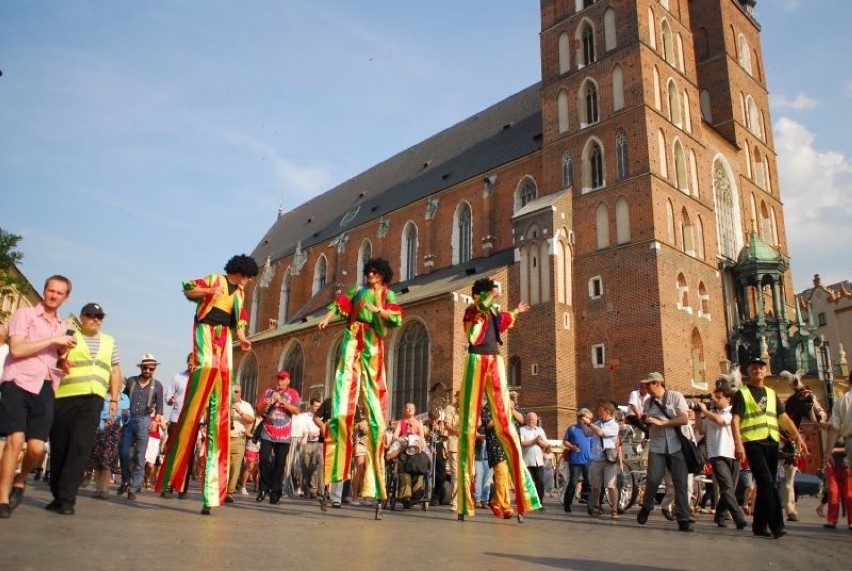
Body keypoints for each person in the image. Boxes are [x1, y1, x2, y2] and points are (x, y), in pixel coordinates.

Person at [156, 254, 258, 516]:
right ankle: (171, 477)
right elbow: (188, 288)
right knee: (209, 369)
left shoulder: (240, 295)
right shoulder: (217, 279)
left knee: (220, 410)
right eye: (245, 276)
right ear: (237, 272)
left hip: (223, 337)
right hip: (205, 332)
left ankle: (212, 492)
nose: (247, 281)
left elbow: (240, 323)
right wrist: (208, 291)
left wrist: (243, 339)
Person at [318, 257, 402, 518]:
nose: (370, 275)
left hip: (373, 345)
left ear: (383, 275)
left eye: (375, 272)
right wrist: (326, 318)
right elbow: (339, 304)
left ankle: (374, 487)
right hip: (353, 340)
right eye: (369, 272)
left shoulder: (388, 294)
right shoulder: (358, 290)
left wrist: (380, 312)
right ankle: (334, 490)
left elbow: (396, 317)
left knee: (377, 417)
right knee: (342, 414)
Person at [456, 277, 540, 521]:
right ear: (481, 293)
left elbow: (501, 323)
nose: (496, 293)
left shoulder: (491, 309)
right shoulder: (473, 308)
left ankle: (517, 498)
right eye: (491, 291)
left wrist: (515, 311)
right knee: (468, 424)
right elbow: (477, 318)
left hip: (494, 359)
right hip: (476, 359)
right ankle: (464, 501)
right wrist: (492, 295)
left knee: (506, 421)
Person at [0, 275, 75, 519]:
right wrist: (53, 340)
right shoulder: (24, 315)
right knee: (15, 439)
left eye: (59, 293)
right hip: (18, 381)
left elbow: (51, 355)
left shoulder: (62, 326)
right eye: (50, 291)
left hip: (44, 386)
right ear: (44, 291)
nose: (53, 296)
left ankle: (20, 480)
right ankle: (2, 498)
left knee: (36, 447)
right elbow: (18, 349)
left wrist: (63, 361)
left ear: (66, 297)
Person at [47, 302, 122, 515]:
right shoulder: (69, 335)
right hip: (65, 397)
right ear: (82, 317)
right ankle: (57, 492)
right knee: (60, 447)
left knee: (80, 448)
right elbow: (54, 360)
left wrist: (114, 399)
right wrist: (61, 360)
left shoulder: (109, 341)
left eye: (99, 316)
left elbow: (115, 371)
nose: (95, 319)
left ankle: (67, 498)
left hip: (93, 399)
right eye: (90, 315)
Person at [731, 357, 806, 539]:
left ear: (766, 372)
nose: (758, 371)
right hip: (753, 442)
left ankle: (759, 525)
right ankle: (777, 525)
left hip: (772, 441)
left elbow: (783, 418)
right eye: (754, 368)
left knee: (768, 484)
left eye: (761, 368)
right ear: (749, 372)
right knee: (766, 483)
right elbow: (735, 420)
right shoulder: (743, 393)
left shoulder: (771, 394)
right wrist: (738, 443)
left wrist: (797, 436)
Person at [635, 372, 693, 532]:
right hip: (657, 446)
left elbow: (684, 419)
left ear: (657, 383)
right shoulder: (648, 402)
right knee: (653, 479)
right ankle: (646, 506)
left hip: (676, 445)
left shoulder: (675, 397)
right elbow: (649, 424)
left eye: (648, 384)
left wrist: (662, 422)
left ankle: (683, 518)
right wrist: (645, 422)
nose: (646, 388)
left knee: (680, 483)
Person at [696, 380, 748, 529]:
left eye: (719, 398)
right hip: (717, 454)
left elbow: (720, 421)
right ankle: (738, 517)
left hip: (733, 453)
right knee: (726, 486)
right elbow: (701, 430)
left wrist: (705, 411)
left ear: (728, 399)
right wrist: (698, 414)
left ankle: (719, 514)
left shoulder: (733, 413)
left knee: (730, 488)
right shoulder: (712, 414)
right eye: (715, 398)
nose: (716, 400)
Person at [780, 369, 827, 522]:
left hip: (790, 439)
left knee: (790, 477)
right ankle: (786, 506)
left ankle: (790, 506)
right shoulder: (799, 401)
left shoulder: (800, 401)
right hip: (782, 438)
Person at [119, 353, 164, 500]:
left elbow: (160, 408)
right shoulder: (131, 381)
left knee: (140, 456)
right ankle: (125, 479)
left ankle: (133, 487)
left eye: (151, 369)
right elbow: (123, 398)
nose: (148, 371)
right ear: (142, 367)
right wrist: (123, 409)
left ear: (154, 369)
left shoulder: (157, 386)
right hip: (129, 420)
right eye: (146, 368)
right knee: (124, 452)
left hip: (144, 421)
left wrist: (155, 421)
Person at [256, 370, 300, 504]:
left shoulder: (293, 393)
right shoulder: (268, 392)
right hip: (267, 432)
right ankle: (263, 489)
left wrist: (282, 402)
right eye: (278, 379)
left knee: (280, 464)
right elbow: (260, 410)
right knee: (263, 458)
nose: (280, 381)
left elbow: (296, 411)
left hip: (284, 434)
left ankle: (275, 493)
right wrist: (266, 403)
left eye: (282, 379)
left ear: (288, 381)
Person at [89, 387, 130, 499]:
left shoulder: (124, 398)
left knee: (106, 460)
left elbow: (127, 417)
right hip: (99, 427)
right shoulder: (101, 394)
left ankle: (104, 489)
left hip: (113, 429)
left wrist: (124, 414)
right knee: (98, 460)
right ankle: (98, 489)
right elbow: (94, 410)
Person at [585, 400, 620, 519]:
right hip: (596, 458)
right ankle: (596, 506)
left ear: (608, 411)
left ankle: (614, 509)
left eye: (601, 411)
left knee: (611, 485)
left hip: (609, 459)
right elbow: (587, 434)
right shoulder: (597, 423)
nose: (599, 414)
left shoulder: (614, 425)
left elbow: (600, 433)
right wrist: (583, 423)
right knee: (595, 485)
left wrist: (589, 424)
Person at [391, 402, 427, 509]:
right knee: (405, 472)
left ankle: (417, 492)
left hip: (415, 451)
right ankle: (406, 496)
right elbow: (394, 437)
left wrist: (415, 438)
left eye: (412, 408)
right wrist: (404, 438)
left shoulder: (419, 422)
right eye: (407, 408)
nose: (409, 409)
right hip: (404, 450)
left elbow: (422, 437)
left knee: (419, 470)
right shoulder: (401, 422)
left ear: (415, 410)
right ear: (404, 410)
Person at [226, 384, 254, 502]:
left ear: (241, 393)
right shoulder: (224, 403)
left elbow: (251, 420)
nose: (234, 393)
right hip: (224, 439)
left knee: (235, 465)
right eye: (232, 391)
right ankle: (220, 488)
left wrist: (240, 412)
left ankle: (230, 492)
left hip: (238, 439)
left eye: (237, 391)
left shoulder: (246, 405)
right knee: (223, 465)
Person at [562, 408, 593, 513]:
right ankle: (567, 504)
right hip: (575, 460)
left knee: (589, 483)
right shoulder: (572, 428)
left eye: (585, 417)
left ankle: (591, 507)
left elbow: (594, 444)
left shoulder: (590, 430)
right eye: (581, 417)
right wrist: (572, 447)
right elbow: (565, 441)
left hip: (588, 460)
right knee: (573, 482)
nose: (582, 419)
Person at [519, 411, 549, 507]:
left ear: (536, 421)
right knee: (528, 484)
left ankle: (539, 502)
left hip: (539, 462)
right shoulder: (522, 430)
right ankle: (528, 502)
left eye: (533, 420)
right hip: (527, 461)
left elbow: (546, 444)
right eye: (529, 419)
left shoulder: (540, 430)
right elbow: (523, 443)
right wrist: (534, 440)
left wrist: (539, 442)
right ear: (526, 420)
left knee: (540, 482)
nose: (531, 421)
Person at [301, 397, 323, 499]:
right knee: (305, 466)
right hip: (307, 442)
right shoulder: (305, 416)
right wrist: (308, 433)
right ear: (311, 405)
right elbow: (303, 427)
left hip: (317, 443)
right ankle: (304, 488)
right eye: (315, 406)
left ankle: (313, 490)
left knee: (315, 466)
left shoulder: (322, 416)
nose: (317, 408)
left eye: (319, 406)